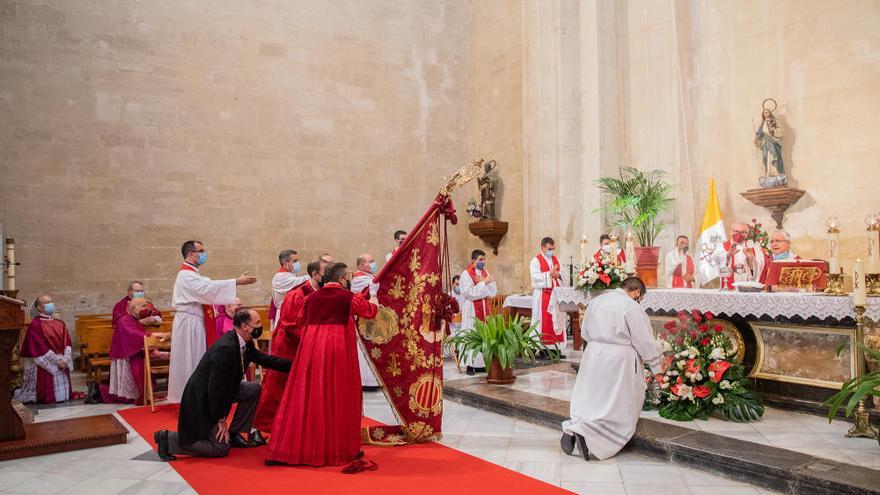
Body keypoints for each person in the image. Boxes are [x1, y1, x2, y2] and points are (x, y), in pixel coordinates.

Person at [265, 263, 378, 470]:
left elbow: (298, 320)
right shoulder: (347, 297)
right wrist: (376, 298)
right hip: (337, 348)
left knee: (308, 395)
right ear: (343, 278)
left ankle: (299, 447)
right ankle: (336, 448)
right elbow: (369, 311)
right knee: (337, 395)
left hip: (311, 348)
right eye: (348, 277)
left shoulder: (310, 298)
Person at [154, 308, 292, 461]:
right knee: (220, 449)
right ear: (245, 326)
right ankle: (169, 439)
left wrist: (296, 364)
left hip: (223, 392)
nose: (260, 326)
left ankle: (234, 434)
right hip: (204, 400)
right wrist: (221, 419)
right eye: (257, 323)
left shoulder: (243, 342)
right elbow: (215, 388)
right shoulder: (225, 348)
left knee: (253, 389)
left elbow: (264, 359)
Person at [562, 277, 663, 461]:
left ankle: (574, 427)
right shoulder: (631, 307)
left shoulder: (596, 301)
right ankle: (589, 436)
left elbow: (584, 331)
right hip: (618, 360)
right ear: (637, 292)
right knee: (615, 404)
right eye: (639, 298)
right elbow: (644, 341)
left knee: (593, 398)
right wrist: (657, 365)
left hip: (593, 354)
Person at [167, 240, 256, 403]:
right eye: (200, 251)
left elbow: (207, 286)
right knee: (190, 359)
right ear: (190, 254)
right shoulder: (185, 274)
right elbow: (206, 289)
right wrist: (236, 281)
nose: (204, 254)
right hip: (189, 323)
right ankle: (189, 396)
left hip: (195, 321)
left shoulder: (193, 274)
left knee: (196, 358)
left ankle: (197, 395)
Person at [253, 260, 323, 432]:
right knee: (278, 384)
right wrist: (316, 336)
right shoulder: (297, 294)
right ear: (315, 274)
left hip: (305, 343)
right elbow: (291, 322)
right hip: (288, 344)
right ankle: (264, 425)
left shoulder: (319, 292)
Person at [100, 298, 170, 404]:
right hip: (126, 357)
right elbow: (136, 335)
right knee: (128, 396)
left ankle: (143, 394)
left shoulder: (134, 319)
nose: (145, 310)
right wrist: (158, 334)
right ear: (135, 308)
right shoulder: (123, 320)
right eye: (143, 306)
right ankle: (100, 390)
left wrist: (158, 353)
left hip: (135, 354)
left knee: (136, 391)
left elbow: (142, 342)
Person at [15, 295, 77, 404]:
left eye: (51, 301)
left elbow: (67, 342)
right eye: (47, 302)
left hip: (62, 360)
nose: (50, 304)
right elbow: (38, 347)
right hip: (48, 362)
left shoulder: (60, 323)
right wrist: (56, 361)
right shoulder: (35, 325)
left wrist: (65, 359)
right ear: (39, 308)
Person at [458, 249, 497, 375]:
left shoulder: (485, 272)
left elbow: (493, 292)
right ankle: (469, 364)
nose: (483, 262)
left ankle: (481, 364)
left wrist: (486, 284)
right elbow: (469, 293)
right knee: (471, 333)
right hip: (472, 308)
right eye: (481, 259)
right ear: (474, 261)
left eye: (484, 259)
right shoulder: (466, 274)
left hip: (485, 306)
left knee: (484, 336)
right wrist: (484, 284)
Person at [351, 254, 380, 391]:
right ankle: (366, 381)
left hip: (371, 317)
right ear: (362, 266)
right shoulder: (359, 279)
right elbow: (377, 286)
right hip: (364, 318)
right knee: (364, 350)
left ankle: (372, 380)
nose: (374, 264)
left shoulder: (368, 276)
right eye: (371, 261)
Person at [530, 237, 564, 346]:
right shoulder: (536, 261)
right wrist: (549, 274)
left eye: (553, 248)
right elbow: (535, 278)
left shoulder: (556, 259)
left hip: (556, 295)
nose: (551, 251)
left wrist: (559, 275)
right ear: (542, 248)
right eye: (549, 249)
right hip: (543, 295)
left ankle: (556, 348)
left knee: (557, 320)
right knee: (543, 321)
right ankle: (543, 348)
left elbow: (563, 274)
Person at [271, 249, 309, 330]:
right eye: (295, 261)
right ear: (285, 263)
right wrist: (313, 275)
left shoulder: (290, 275)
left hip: (292, 313)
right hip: (284, 314)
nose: (298, 263)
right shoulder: (280, 277)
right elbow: (299, 282)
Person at [721, 222, 768, 288]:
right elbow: (716, 265)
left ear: (747, 234)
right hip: (729, 288)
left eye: (743, 232)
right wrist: (728, 255)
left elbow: (761, 266)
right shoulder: (723, 246)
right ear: (731, 232)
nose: (739, 235)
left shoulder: (754, 247)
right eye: (736, 231)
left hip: (748, 289)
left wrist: (751, 259)